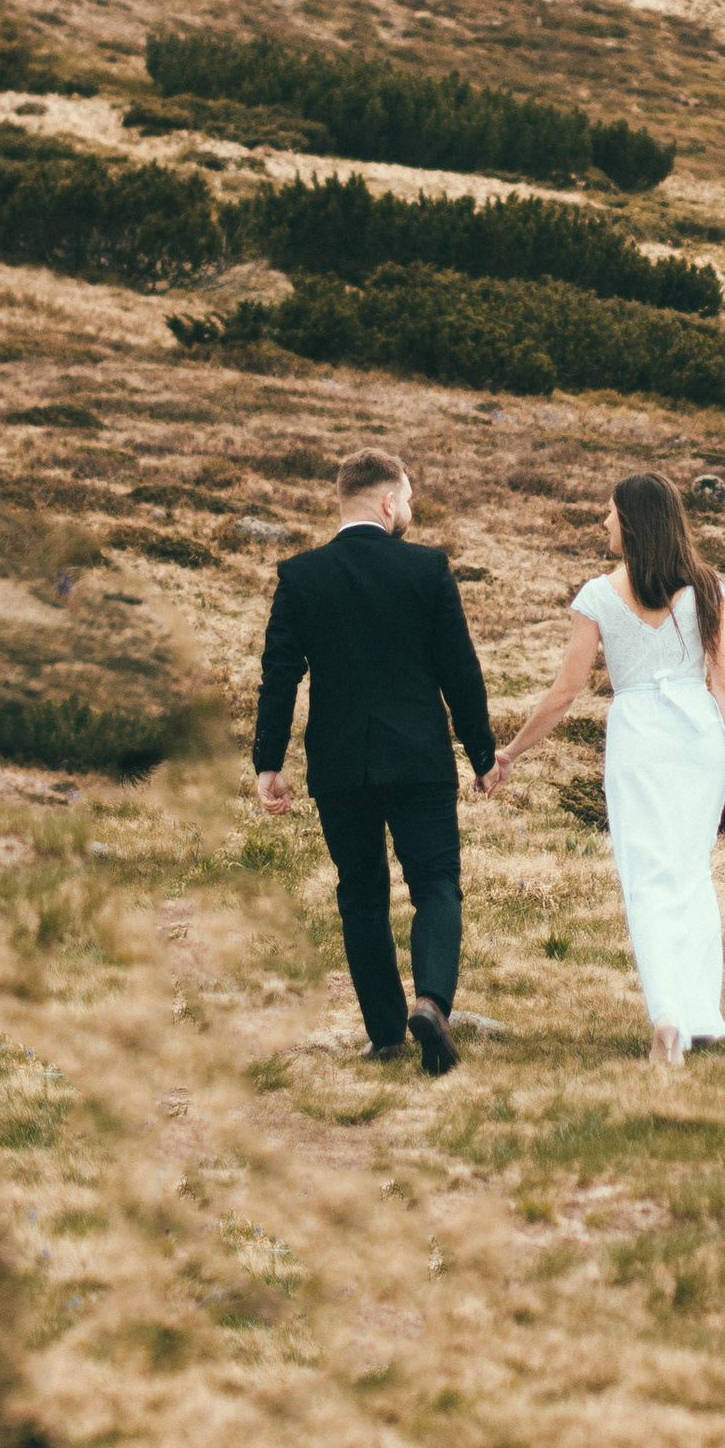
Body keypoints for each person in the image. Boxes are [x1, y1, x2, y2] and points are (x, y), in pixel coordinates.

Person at [489, 471, 725, 1068]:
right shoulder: (709, 588)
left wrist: (512, 751)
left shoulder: (598, 596)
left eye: (610, 512)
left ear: (632, 521)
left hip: (638, 735)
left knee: (646, 877)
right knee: (689, 869)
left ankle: (668, 1012)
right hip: (697, 738)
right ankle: (700, 1016)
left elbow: (565, 692)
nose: (603, 522)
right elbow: (724, 680)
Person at [253, 446, 494, 1074]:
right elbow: (459, 672)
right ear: (388, 502)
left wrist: (267, 761)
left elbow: (279, 675)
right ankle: (433, 1004)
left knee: (360, 894)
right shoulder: (427, 569)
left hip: (340, 766)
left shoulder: (301, 576)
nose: (409, 510)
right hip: (418, 759)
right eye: (408, 498)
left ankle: (387, 1034)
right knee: (435, 883)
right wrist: (483, 753)